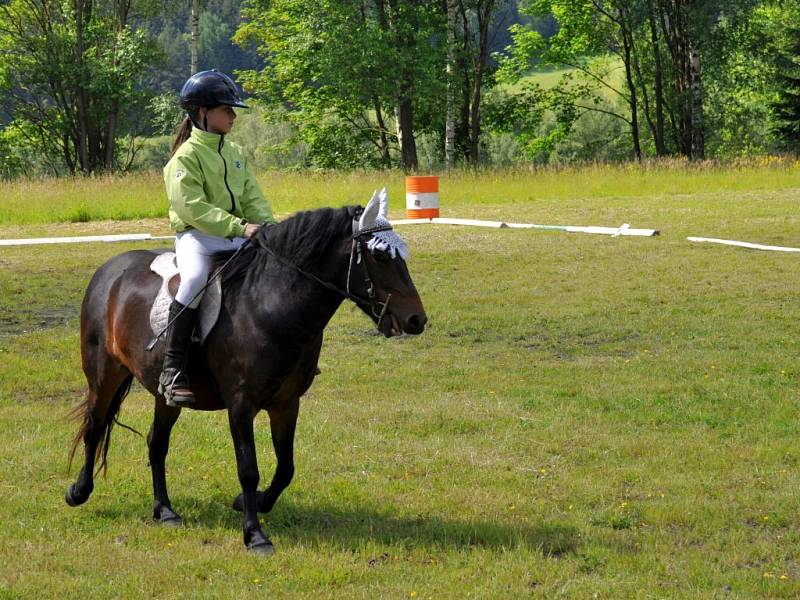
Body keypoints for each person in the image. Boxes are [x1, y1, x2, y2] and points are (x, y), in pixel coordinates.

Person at [159, 69, 275, 407]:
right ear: (203, 112)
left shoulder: (234, 153)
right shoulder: (184, 158)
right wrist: (240, 228)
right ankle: (172, 368)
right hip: (197, 236)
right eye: (227, 110)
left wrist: (268, 227)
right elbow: (192, 207)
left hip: (234, 233)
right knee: (194, 278)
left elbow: (252, 197)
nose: (234, 116)